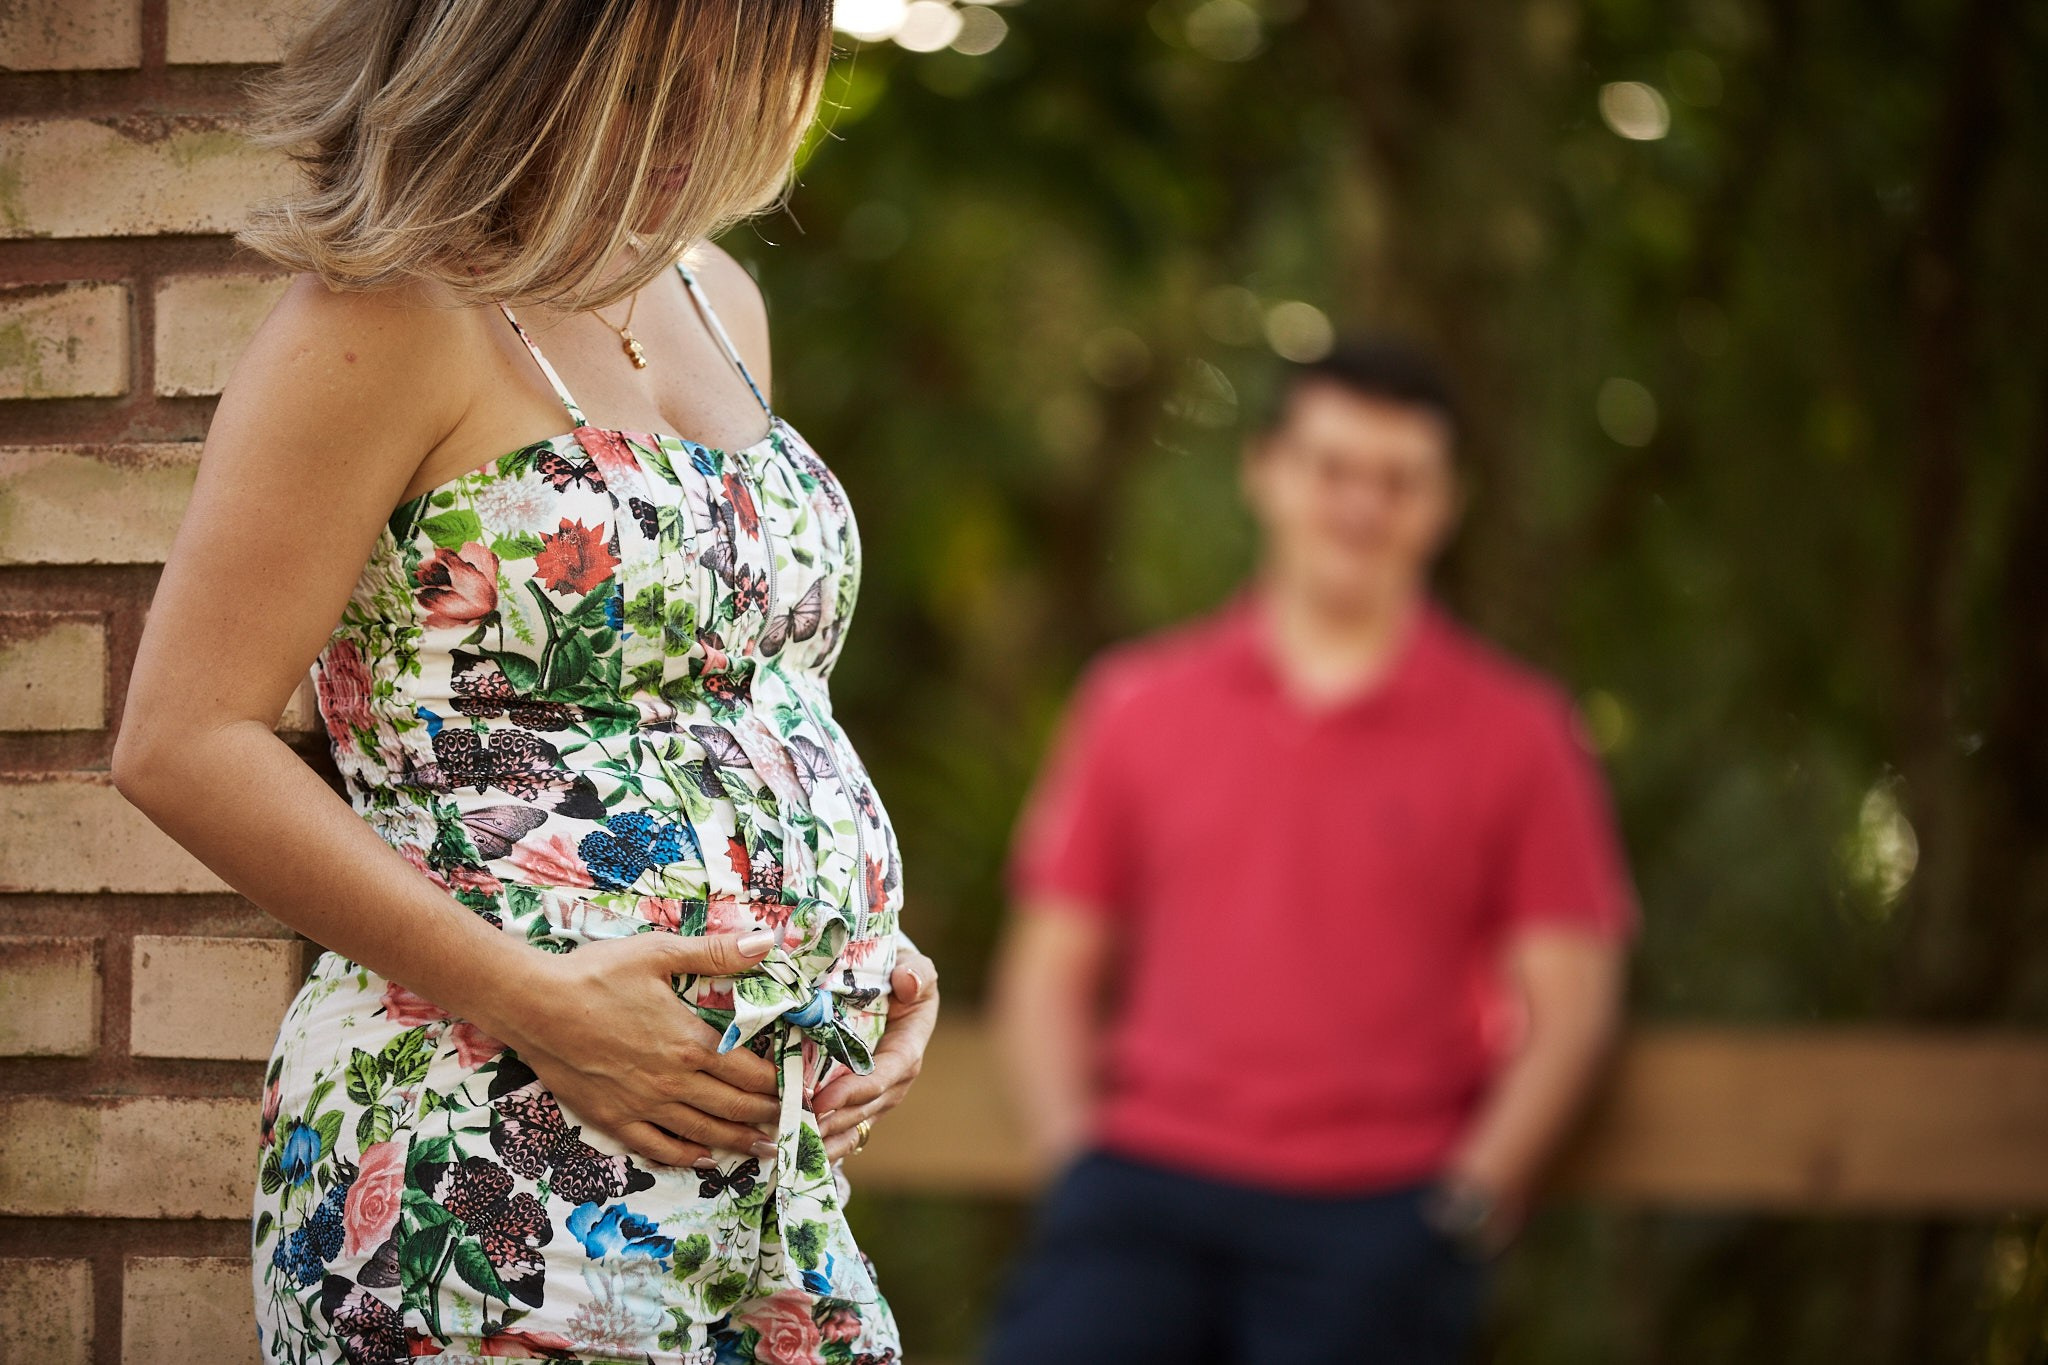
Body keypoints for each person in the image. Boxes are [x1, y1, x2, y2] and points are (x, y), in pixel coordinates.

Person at [109, 3, 937, 1361]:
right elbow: (181, 739)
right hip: (484, 1150)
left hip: (763, 1183)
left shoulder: (717, 298)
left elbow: (742, 699)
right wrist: (530, 995)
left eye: (738, 61)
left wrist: (868, 963)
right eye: (653, 70)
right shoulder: (382, 315)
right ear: (522, 45)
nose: (701, 109)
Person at [981, 337, 1639, 1365]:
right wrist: (1075, 1165)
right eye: (1332, 470)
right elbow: (1046, 968)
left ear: (1442, 505)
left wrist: (1464, 1206)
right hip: (1139, 1196)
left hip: (1376, 1216)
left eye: (1397, 480)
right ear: (1266, 473)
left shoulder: (1520, 733)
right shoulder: (1133, 705)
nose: (1360, 507)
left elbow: (1572, 1004)